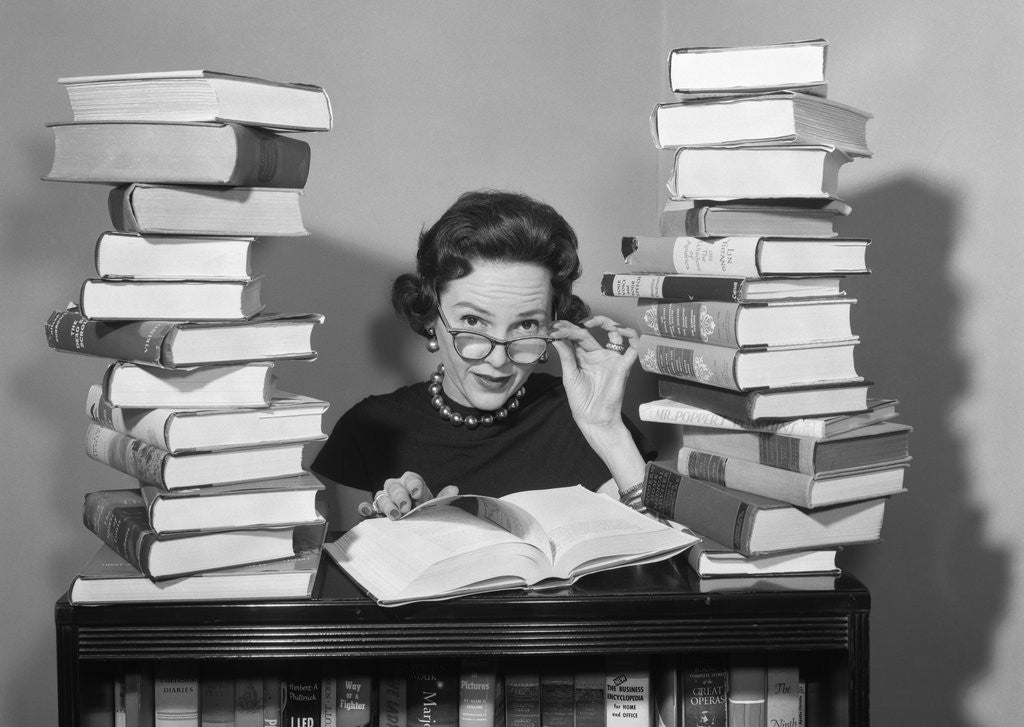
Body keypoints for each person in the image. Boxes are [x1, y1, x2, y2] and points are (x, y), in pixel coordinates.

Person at [311, 189, 655, 527]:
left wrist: (607, 431)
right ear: (431, 316)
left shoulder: (583, 421)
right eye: (473, 321)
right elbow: (345, 576)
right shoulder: (367, 431)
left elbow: (668, 563)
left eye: (525, 324)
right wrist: (413, 536)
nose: (499, 358)